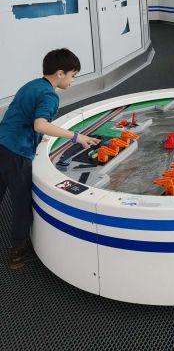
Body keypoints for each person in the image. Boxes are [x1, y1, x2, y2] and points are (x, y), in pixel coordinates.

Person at [0, 49, 100, 270]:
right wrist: (76, 137)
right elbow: (40, 124)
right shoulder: (50, 95)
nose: (73, 80)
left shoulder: (32, 85)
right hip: (17, 152)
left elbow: (21, 115)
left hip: (2, 142)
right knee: (21, 203)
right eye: (73, 75)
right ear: (60, 73)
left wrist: (40, 135)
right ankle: (17, 253)